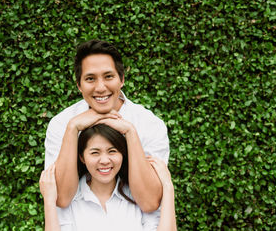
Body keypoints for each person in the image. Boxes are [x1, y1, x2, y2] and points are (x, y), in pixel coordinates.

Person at [44, 40, 169, 214]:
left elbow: (149, 202)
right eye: (90, 79)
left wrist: (130, 133)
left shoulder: (149, 124)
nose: (100, 88)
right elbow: (61, 198)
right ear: (79, 85)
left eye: (108, 76)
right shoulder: (61, 123)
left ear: (122, 79)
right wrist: (72, 128)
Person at [40, 124, 177, 230]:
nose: (104, 160)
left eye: (112, 151)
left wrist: (168, 187)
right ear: (82, 157)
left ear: (122, 155)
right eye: (95, 153)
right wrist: (49, 201)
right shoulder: (71, 198)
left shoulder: (137, 196)